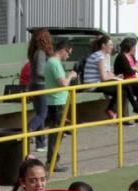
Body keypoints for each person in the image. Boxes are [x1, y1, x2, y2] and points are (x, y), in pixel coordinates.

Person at [44, 38, 78, 173]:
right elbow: (63, 83)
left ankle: (52, 160)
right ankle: (52, 161)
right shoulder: (54, 63)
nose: (68, 56)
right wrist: (71, 76)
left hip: (56, 101)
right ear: (63, 50)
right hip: (57, 102)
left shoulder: (51, 62)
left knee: (57, 133)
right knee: (56, 134)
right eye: (68, 53)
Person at [83, 35, 125, 120]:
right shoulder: (99, 56)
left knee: (123, 88)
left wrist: (115, 76)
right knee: (122, 89)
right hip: (93, 85)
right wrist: (113, 77)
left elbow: (107, 73)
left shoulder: (103, 56)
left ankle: (114, 112)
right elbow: (104, 77)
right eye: (110, 45)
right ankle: (112, 110)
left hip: (97, 83)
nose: (112, 47)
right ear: (103, 45)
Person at [26, 29, 53, 152]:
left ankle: (41, 143)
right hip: (40, 85)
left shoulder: (36, 52)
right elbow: (39, 71)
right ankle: (27, 131)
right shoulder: (41, 53)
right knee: (42, 114)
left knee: (39, 113)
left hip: (36, 85)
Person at [114, 37, 138, 116]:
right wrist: (135, 68)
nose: (135, 48)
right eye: (134, 46)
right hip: (125, 82)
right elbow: (129, 71)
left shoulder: (131, 56)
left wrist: (135, 68)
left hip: (132, 80)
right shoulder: (121, 57)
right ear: (129, 47)